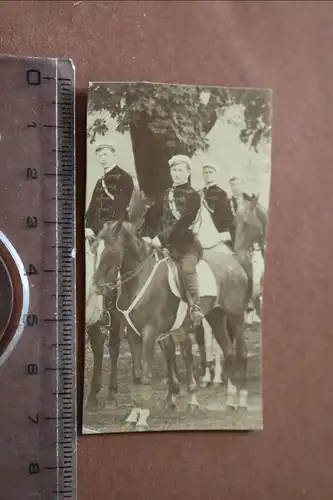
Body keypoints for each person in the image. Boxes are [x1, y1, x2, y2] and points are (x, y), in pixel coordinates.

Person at [143, 154, 204, 326]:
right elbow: (155, 217)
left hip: (185, 246)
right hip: (164, 246)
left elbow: (182, 223)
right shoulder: (166, 194)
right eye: (173, 170)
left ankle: (195, 307)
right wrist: (147, 235)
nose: (176, 173)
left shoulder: (193, 196)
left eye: (180, 170)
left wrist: (160, 239)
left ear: (188, 172)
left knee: (187, 269)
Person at [85, 143, 134, 324]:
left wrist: (98, 230)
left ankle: (113, 311)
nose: (103, 158)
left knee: (110, 264)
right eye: (100, 155)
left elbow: (119, 207)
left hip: (117, 229)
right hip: (99, 231)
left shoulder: (124, 177)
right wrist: (85, 225)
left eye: (106, 154)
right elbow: (92, 209)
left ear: (114, 154)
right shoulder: (100, 181)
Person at [202, 164, 235, 249]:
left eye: (211, 172)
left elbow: (225, 214)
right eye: (205, 172)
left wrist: (224, 232)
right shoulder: (199, 192)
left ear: (216, 175)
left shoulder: (221, 193)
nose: (208, 175)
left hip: (217, 232)